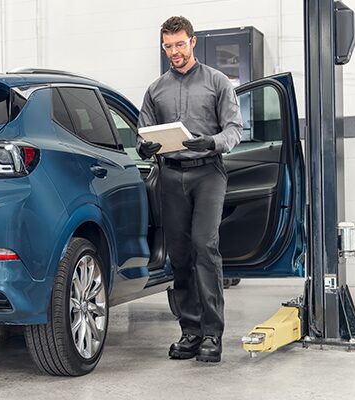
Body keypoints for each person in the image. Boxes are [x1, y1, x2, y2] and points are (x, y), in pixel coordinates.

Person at [136, 16, 243, 363]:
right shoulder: (156, 89)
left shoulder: (217, 82)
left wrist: (210, 142)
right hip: (170, 175)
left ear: (192, 42)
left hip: (208, 172)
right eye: (168, 46)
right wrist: (145, 148)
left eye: (180, 44)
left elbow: (234, 130)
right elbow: (142, 134)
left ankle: (213, 334)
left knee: (204, 247)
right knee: (179, 254)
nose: (174, 52)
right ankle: (191, 331)